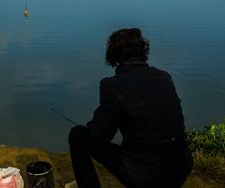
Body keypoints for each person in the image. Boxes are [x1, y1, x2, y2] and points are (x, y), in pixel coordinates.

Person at [68, 28, 193, 188]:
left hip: (145, 176)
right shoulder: (164, 77)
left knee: (78, 136)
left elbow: (101, 136)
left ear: (113, 55)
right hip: (180, 168)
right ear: (143, 51)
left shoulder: (112, 86)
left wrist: (92, 126)